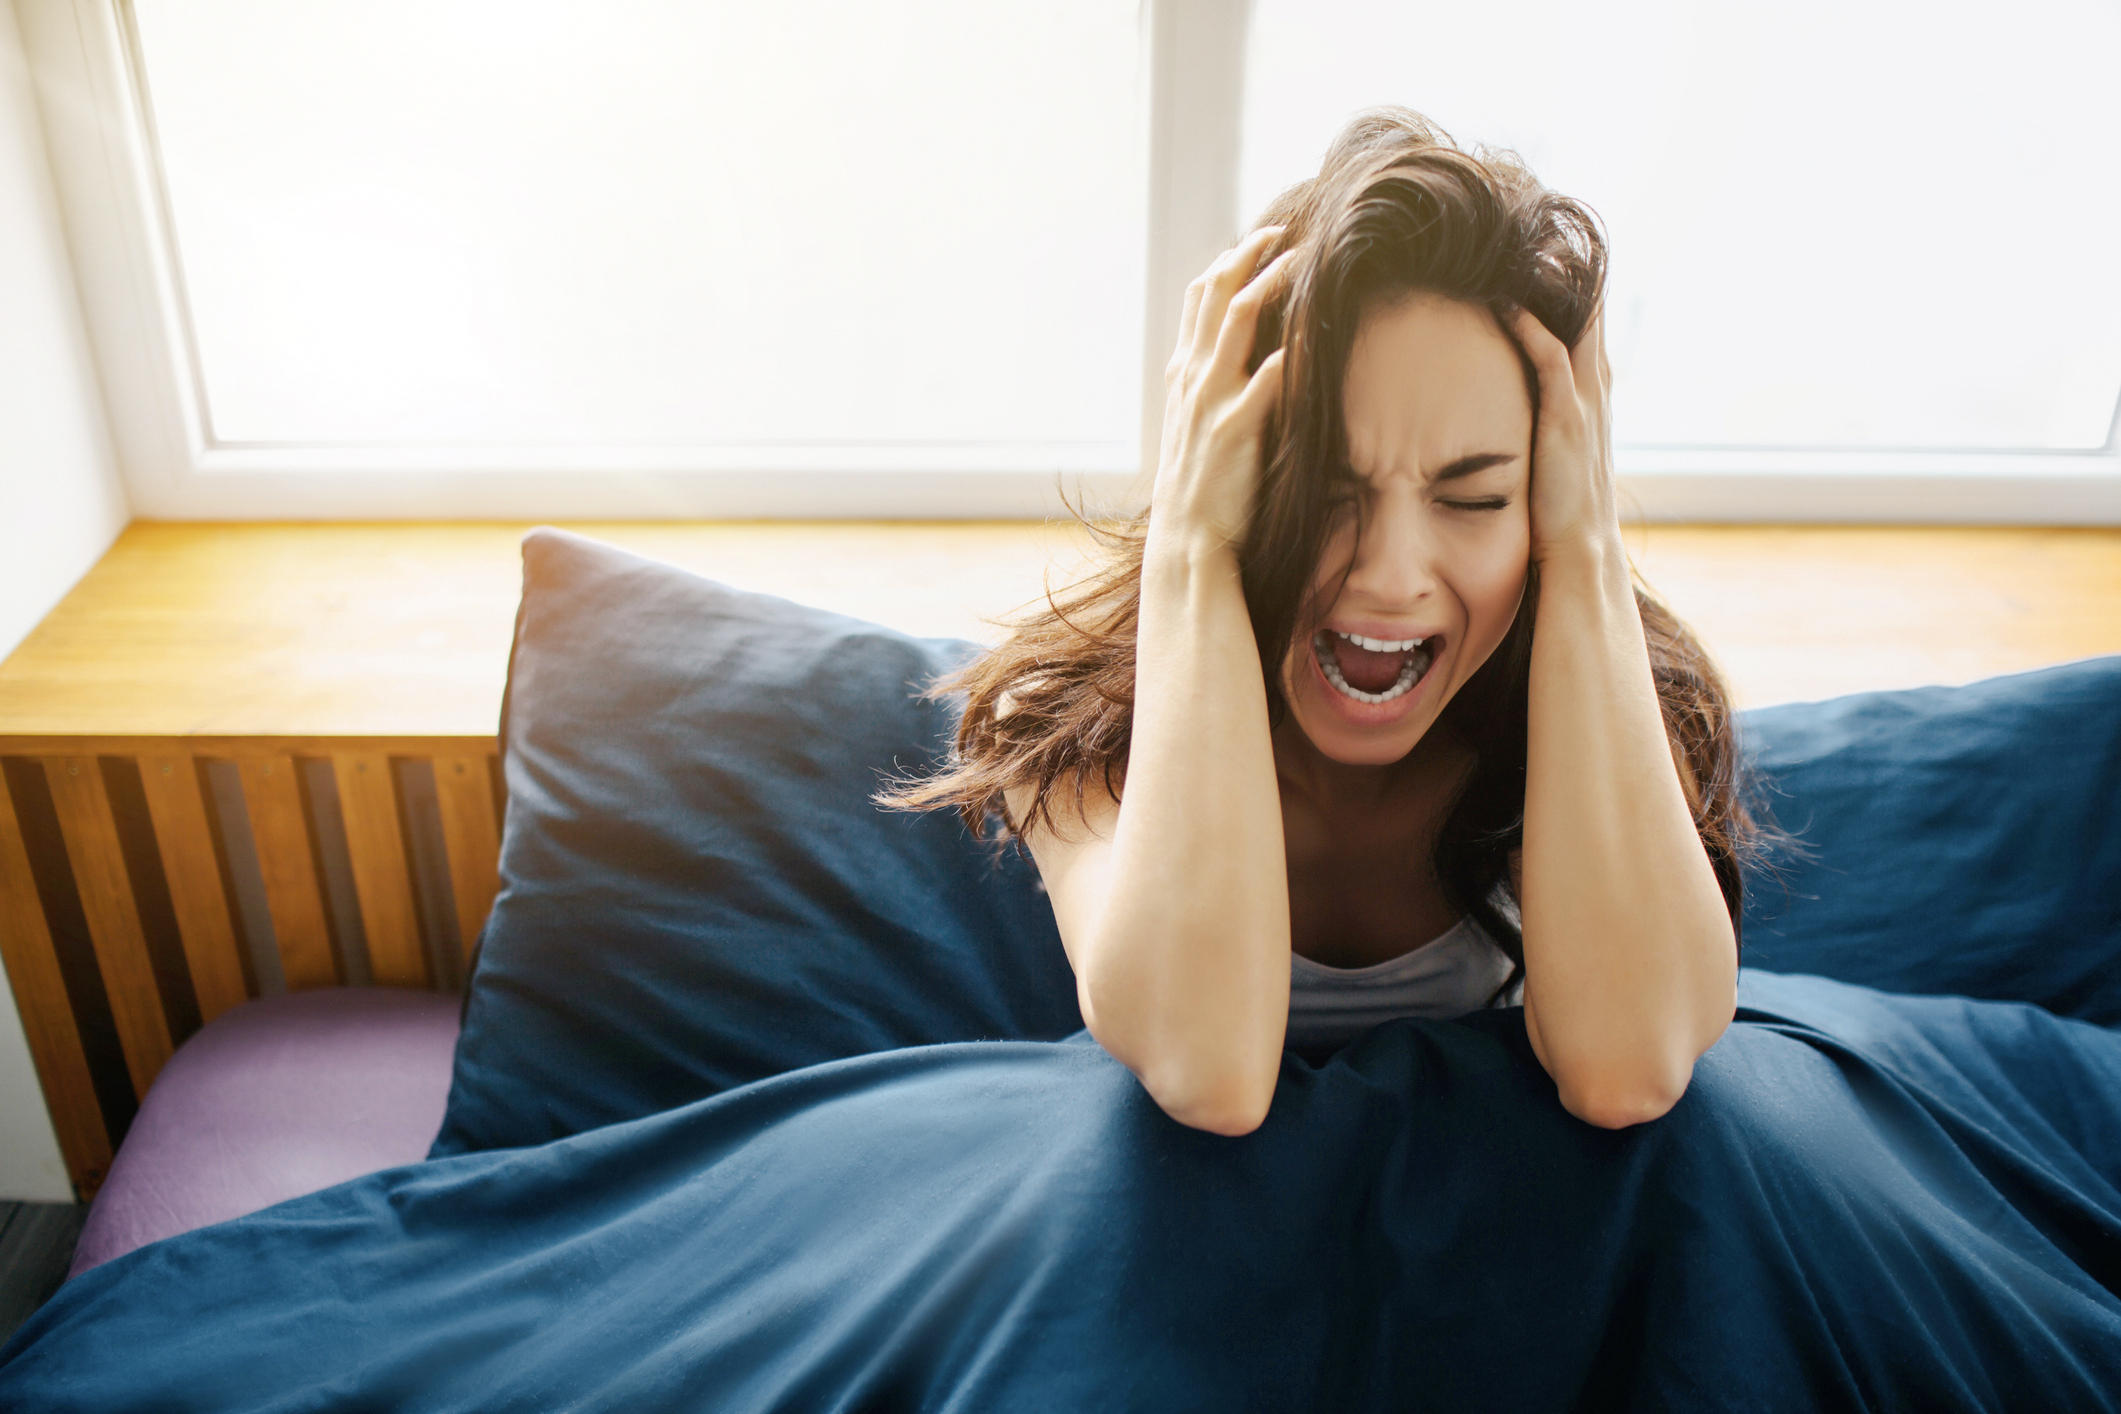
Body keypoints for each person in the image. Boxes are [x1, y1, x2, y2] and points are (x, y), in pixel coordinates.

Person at [892, 107, 1757, 1136]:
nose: (1390, 575)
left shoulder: (1586, 678)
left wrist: (1587, 548)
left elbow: (1630, 1068)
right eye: (1326, 491)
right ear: (1228, 474)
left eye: (1475, 499)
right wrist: (1190, 547)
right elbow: (1206, 1069)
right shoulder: (1081, 719)